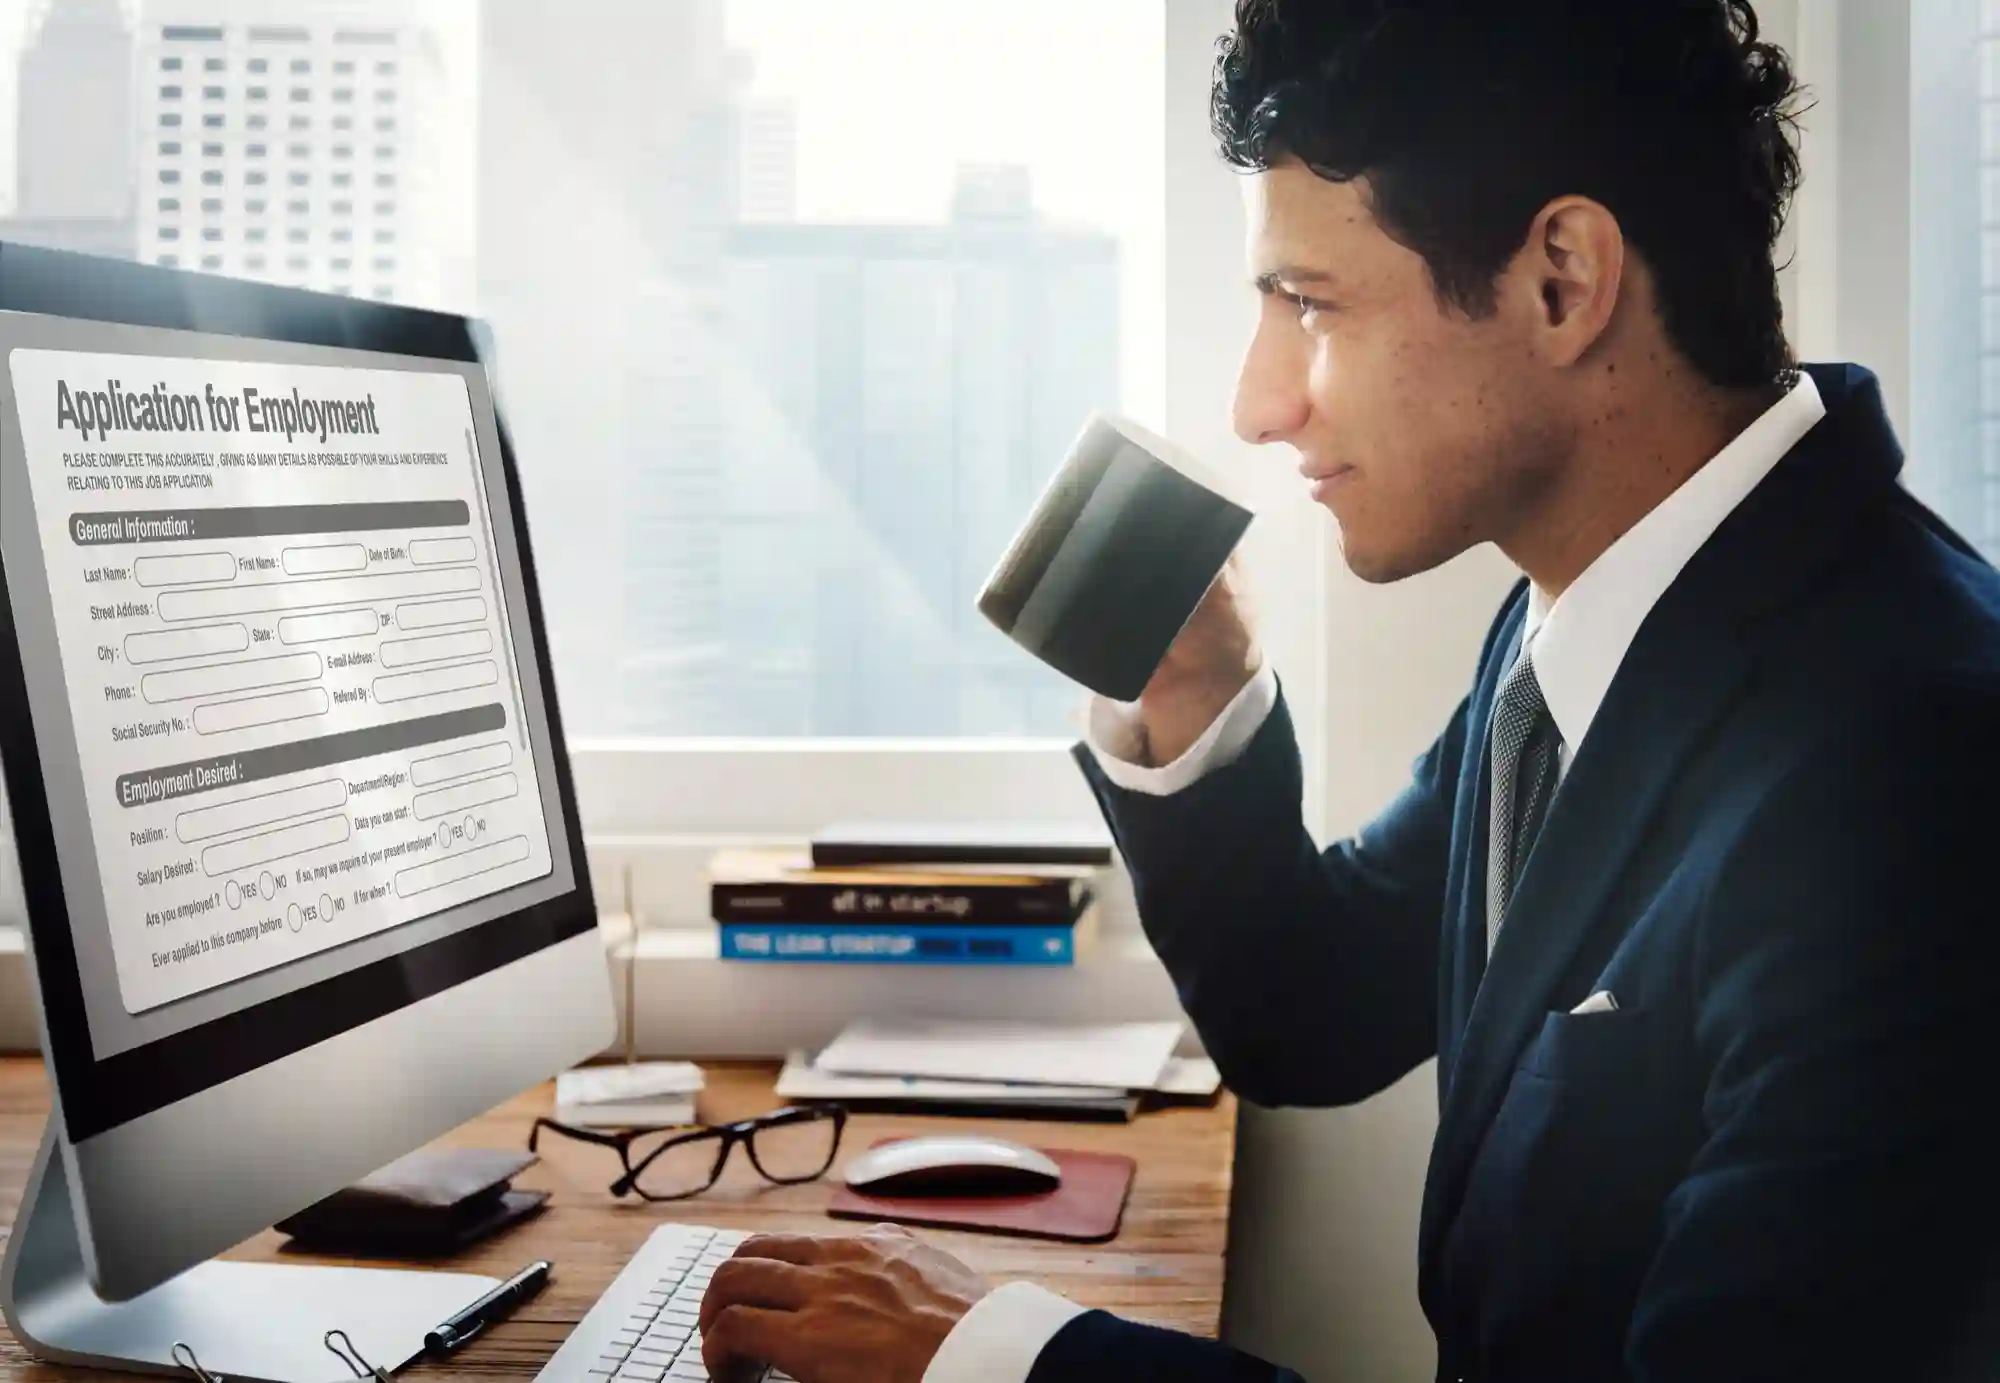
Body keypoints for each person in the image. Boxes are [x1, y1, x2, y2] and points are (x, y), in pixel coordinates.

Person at [698, 1, 2000, 1379]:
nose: (1262, 404)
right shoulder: (1589, 618)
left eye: (1310, 304)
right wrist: (1199, 687)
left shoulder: (1918, 760)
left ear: (1564, 279)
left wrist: (1009, 1356)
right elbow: (1307, 1006)